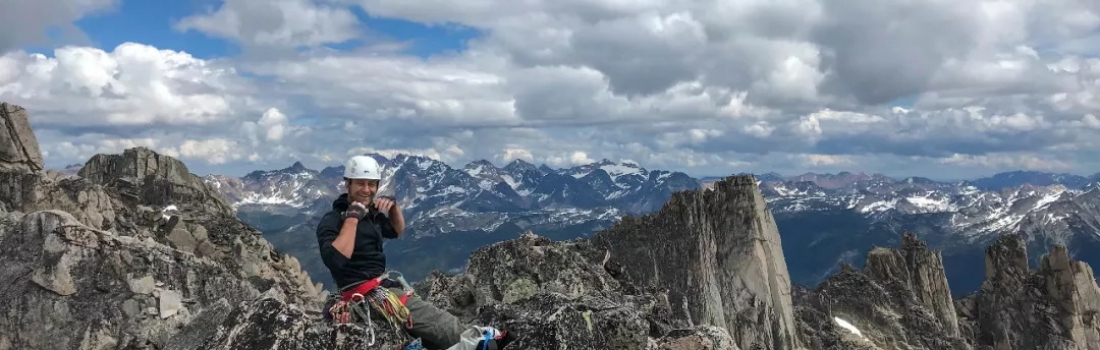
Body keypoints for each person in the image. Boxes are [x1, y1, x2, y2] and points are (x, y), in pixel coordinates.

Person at [316, 155, 513, 350]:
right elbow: (336, 260)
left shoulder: (371, 215)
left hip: (377, 287)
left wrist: (393, 207)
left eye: (371, 184)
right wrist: (352, 218)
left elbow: (396, 230)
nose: (367, 190)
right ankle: (478, 343)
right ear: (347, 185)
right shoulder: (333, 220)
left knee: (427, 328)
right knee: (436, 320)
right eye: (360, 184)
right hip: (365, 293)